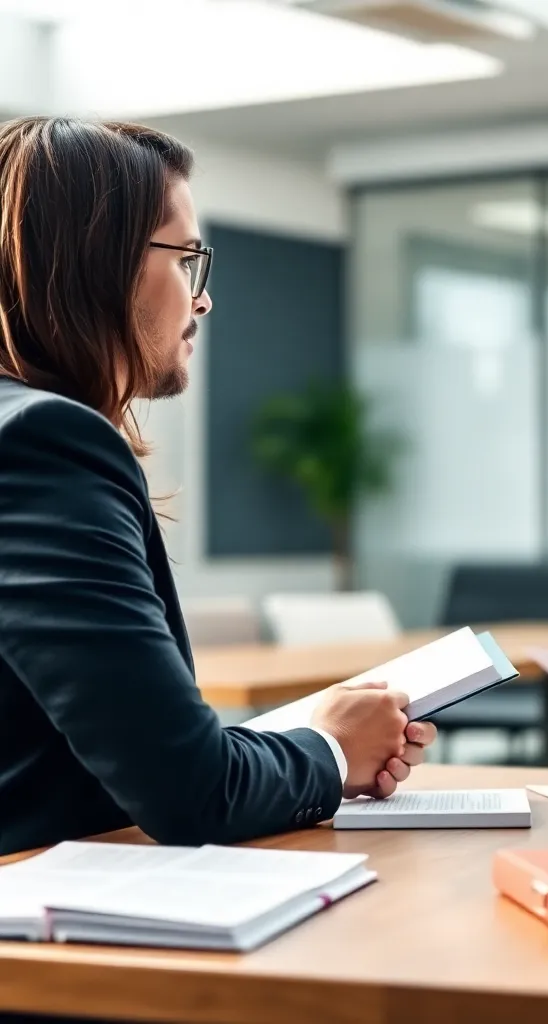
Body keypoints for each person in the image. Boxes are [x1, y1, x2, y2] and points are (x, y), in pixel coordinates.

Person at [0, 116, 436, 857]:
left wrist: (310, 735)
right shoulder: (46, 445)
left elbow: (118, 747)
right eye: (187, 260)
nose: (202, 301)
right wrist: (329, 752)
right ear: (97, 263)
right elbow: (194, 793)